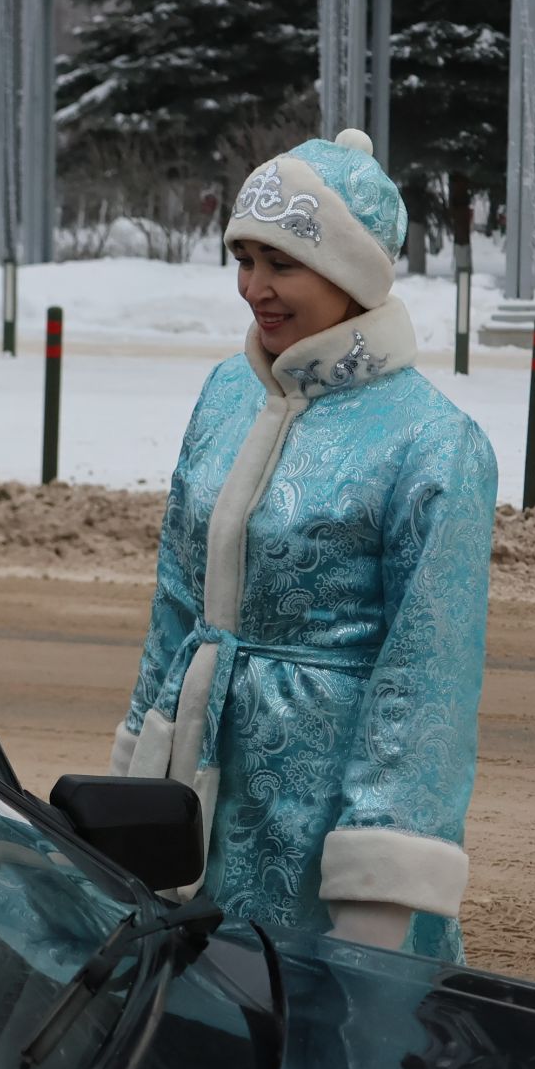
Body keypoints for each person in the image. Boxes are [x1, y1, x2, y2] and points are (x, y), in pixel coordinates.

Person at [110, 127, 496, 962]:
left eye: (281, 263)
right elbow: (177, 602)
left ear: (352, 273)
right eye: (243, 259)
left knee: (322, 1062)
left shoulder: (433, 443)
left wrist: (377, 892)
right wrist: (138, 779)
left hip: (320, 819)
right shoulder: (225, 394)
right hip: (198, 791)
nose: (254, 288)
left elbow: (426, 684)